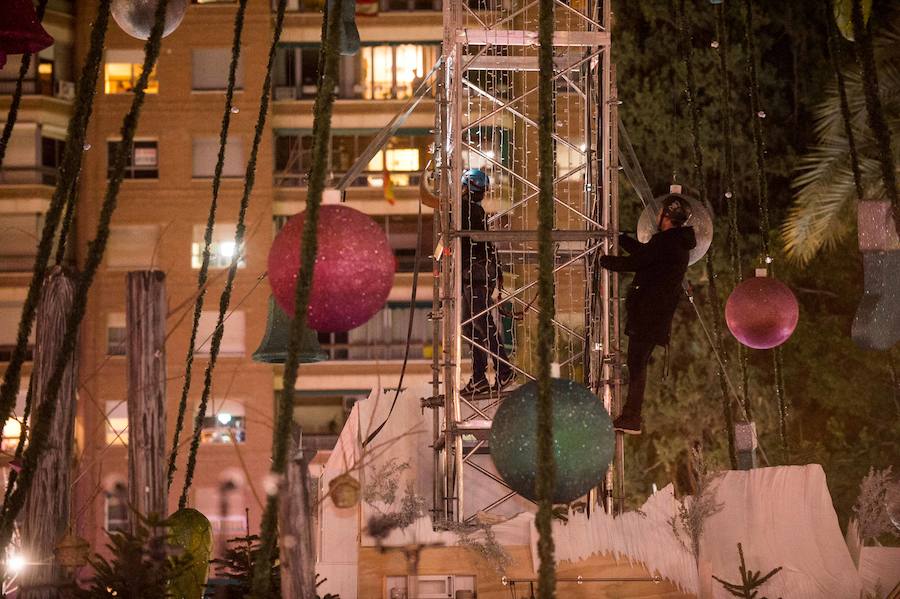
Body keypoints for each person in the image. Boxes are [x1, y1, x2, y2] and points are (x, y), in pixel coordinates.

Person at [599, 194, 697, 434]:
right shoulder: (673, 242)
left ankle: (632, 417)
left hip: (649, 314)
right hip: (654, 315)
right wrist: (621, 240)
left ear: (667, 216)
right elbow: (646, 254)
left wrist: (603, 261)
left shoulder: (668, 243)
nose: (656, 214)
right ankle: (631, 417)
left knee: (636, 363)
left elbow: (638, 262)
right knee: (637, 362)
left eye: (661, 211)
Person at [459, 168, 516, 396]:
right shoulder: (475, 209)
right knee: (470, 324)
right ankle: (480, 376)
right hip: (480, 272)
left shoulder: (465, 208)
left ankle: (503, 370)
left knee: (480, 322)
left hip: (475, 273)